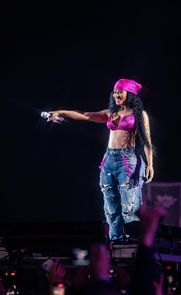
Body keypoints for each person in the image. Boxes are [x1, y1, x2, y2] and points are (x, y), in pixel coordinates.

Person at [48, 78, 155, 242]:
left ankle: (135, 242)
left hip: (129, 160)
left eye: (121, 91)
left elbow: (147, 140)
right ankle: (116, 239)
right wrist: (60, 112)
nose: (117, 95)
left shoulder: (139, 114)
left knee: (130, 205)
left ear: (130, 94)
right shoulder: (110, 114)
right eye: (115, 92)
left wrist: (150, 164)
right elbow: (85, 115)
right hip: (109, 160)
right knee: (111, 205)